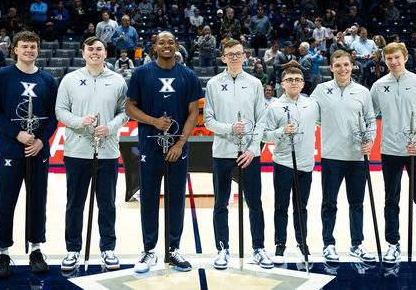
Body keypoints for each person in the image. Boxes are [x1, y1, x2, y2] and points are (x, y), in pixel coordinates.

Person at [125, 31, 203, 273]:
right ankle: (149, 251)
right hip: (149, 146)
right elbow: (129, 108)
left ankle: (173, 249)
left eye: (171, 42)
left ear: (176, 46)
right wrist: (154, 121)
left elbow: (193, 114)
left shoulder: (188, 75)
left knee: (177, 199)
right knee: (148, 198)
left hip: (178, 148)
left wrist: (180, 144)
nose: (167, 46)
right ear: (154, 47)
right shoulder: (141, 73)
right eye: (162, 42)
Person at [0, 31, 58, 278]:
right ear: (14, 49)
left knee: (38, 202)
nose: (29, 50)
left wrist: (40, 141)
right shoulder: (2, 76)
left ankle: (36, 250)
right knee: (5, 202)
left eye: (33, 46)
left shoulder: (48, 79)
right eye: (24, 46)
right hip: (10, 150)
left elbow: (53, 117)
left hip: (38, 151)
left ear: (38, 50)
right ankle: (4, 253)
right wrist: (18, 135)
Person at [55, 36, 128, 271]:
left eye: (99, 49)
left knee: (106, 204)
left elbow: (124, 112)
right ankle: (73, 249)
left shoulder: (118, 81)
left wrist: (110, 127)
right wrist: (80, 122)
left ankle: (108, 249)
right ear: (83, 53)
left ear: (106, 53)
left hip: (107, 151)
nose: (95, 52)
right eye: (90, 49)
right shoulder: (70, 79)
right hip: (77, 151)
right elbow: (60, 111)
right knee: (75, 203)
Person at [204, 39, 273, 270]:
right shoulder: (213, 84)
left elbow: (261, 120)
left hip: (250, 154)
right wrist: (229, 128)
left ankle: (259, 248)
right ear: (223, 58)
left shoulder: (254, 83)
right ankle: (222, 249)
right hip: (222, 151)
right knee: (221, 204)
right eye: (230, 55)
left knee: (254, 202)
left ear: (245, 57)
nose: (234, 58)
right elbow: (208, 121)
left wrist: (254, 149)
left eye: (238, 54)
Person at [370, 43, 416, 267]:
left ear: (406, 57)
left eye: (397, 57)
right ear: (384, 60)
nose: (393, 62)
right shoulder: (379, 86)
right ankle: (393, 245)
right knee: (391, 199)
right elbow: (369, 116)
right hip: (390, 150)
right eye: (389, 58)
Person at [311, 52, 378, 263]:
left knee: (357, 203)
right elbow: (312, 115)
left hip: (357, 158)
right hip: (331, 156)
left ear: (352, 66)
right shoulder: (321, 90)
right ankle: (328, 245)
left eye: (346, 65)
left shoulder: (362, 92)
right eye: (338, 65)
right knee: (329, 203)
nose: (343, 69)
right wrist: (332, 128)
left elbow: (371, 120)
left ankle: (357, 244)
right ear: (331, 68)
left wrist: (371, 140)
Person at [262, 67, 318, 264]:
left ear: (303, 84)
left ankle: (302, 245)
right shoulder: (274, 107)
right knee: (281, 207)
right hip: (283, 163)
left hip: (306, 165)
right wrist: (280, 132)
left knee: (301, 208)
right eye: (289, 79)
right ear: (282, 84)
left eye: (297, 79)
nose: (294, 82)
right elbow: (264, 135)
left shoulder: (312, 105)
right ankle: (280, 245)